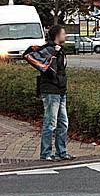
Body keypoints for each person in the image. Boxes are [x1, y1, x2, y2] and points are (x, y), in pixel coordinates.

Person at [25, 25, 72, 161]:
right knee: (50, 123)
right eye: (64, 33)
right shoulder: (49, 50)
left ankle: (61, 151)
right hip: (51, 91)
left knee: (63, 123)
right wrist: (55, 54)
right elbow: (45, 66)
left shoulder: (60, 50)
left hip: (60, 91)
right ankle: (46, 153)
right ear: (57, 35)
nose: (65, 35)